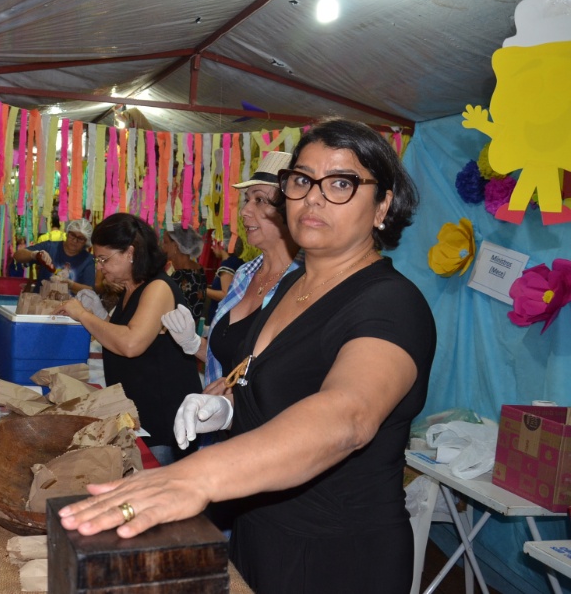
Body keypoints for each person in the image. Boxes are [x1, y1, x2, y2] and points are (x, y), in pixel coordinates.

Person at [58, 118, 437, 594]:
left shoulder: (391, 303)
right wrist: (228, 406)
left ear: (382, 205)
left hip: (336, 553)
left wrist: (193, 478)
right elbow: (274, 384)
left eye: (341, 183)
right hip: (258, 530)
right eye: (301, 180)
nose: (314, 197)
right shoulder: (293, 287)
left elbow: (349, 416)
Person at [55, 213, 202, 466]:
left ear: (130, 253)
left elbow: (131, 343)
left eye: (104, 259)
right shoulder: (130, 290)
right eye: (97, 260)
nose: (99, 267)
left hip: (162, 422)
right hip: (139, 418)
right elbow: (116, 335)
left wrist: (84, 316)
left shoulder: (158, 288)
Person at [162, 152, 301, 387]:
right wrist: (194, 343)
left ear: (292, 209)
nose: (245, 210)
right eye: (247, 200)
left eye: (259, 200)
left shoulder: (308, 282)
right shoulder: (245, 274)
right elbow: (232, 362)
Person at [13, 218, 95, 293]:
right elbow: (17, 256)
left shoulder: (87, 260)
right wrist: (34, 254)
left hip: (69, 307)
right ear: (66, 234)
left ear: (86, 242)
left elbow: (90, 291)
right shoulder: (49, 247)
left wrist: (70, 284)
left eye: (80, 239)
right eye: (72, 235)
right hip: (40, 304)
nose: (74, 240)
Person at [162, 224, 207, 323]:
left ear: (175, 246)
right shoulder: (199, 270)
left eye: (165, 242)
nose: (163, 246)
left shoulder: (179, 276)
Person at [203, 236, 245, 326]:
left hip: (220, 317)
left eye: (214, 243)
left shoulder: (227, 266)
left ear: (222, 245)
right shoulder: (237, 263)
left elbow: (225, 294)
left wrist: (203, 290)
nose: (211, 247)